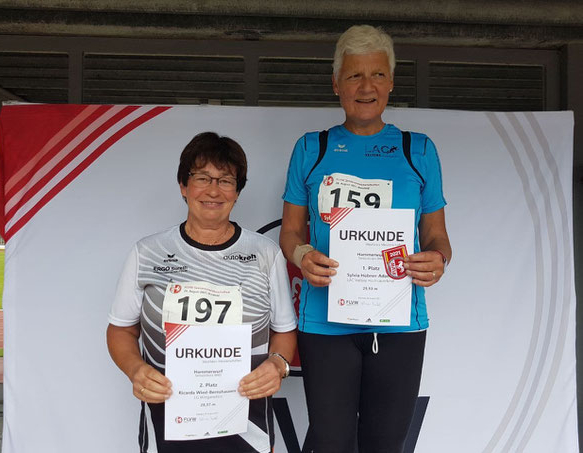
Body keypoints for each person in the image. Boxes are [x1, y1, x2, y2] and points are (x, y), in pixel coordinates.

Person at [280, 25, 452, 453]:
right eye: (355, 75)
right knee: (331, 443)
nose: (366, 86)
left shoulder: (420, 150)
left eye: (377, 75)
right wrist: (303, 255)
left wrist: (437, 260)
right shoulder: (311, 149)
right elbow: (289, 232)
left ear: (391, 83)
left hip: (400, 324)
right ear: (336, 83)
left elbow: (436, 236)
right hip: (325, 322)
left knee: (385, 444)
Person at [107, 132, 297, 453]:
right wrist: (135, 369)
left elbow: (284, 331)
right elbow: (121, 329)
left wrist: (277, 364)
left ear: (237, 191)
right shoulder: (147, 252)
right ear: (183, 186)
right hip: (166, 418)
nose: (213, 190)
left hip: (246, 423)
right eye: (202, 178)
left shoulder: (265, 253)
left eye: (226, 180)